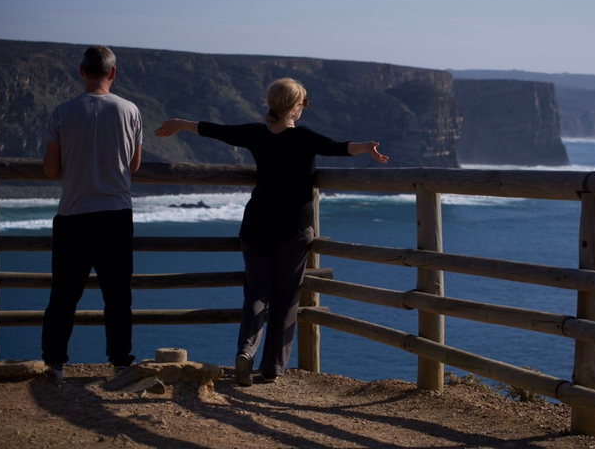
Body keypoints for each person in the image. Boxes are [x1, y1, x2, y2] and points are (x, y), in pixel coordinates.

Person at [154, 77, 388, 386]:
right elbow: (339, 148)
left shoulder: (256, 134)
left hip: (256, 226)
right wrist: (367, 148)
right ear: (294, 108)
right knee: (286, 299)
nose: (304, 108)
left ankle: (245, 352)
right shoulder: (304, 138)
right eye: (303, 103)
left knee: (256, 293)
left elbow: (217, 131)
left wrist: (180, 124)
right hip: (293, 230)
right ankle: (272, 368)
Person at [41, 45, 143, 384]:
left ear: (81, 71)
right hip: (115, 214)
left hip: (74, 214)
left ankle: (54, 363)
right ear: (113, 73)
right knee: (117, 296)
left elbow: (51, 169)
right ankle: (120, 363)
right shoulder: (130, 111)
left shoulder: (61, 112)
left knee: (64, 295)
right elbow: (134, 165)